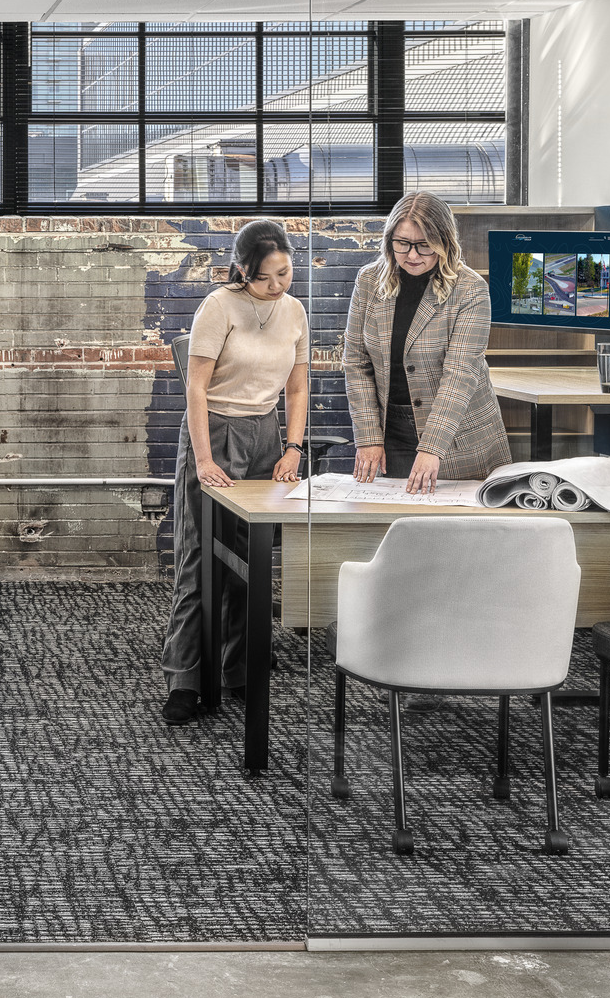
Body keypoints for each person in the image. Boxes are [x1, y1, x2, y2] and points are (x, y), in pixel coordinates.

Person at [161, 219, 310, 726]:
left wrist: (292, 448)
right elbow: (196, 390)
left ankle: (240, 671)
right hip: (215, 432)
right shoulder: (218, 307)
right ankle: (184, 679)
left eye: (285, 273)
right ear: (242, 272)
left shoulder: (294, 312)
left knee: (251, 563)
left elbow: (296, 389)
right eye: (266, 278)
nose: (278, 285)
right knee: (200, 561)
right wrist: (203, 461)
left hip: (267, 436)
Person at [344, 191, 510, 496]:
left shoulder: (470, 289)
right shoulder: (368, 281)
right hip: (391, 431)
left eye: (424, 245)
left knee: (454, 533)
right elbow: (356, 362)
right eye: (402, 243)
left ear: (444, 243)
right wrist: (368, 436)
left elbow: (460, 375)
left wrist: (432, 446)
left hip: (457, 437)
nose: (412, 255)